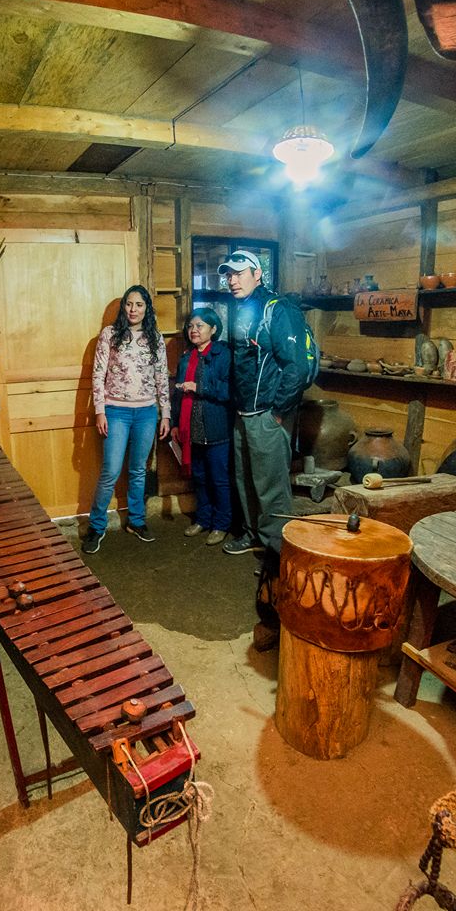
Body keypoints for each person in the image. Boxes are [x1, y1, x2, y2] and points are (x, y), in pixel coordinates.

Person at [218, 251, 310, 652]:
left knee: (271, 484)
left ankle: (277, 554)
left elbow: (299, 366)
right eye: (229, 276)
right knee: (246, 479)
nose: (232, 281)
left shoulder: (278, 309)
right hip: (243, 411)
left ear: (258, 273)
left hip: (267, 414)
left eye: (239, 274)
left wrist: (278, 411)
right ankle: (256, 536)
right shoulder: (241, 309)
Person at [82, 285, 171, 554]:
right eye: (129, 304)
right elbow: (97, 375)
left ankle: (136, 520)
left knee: (138, 470)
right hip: (116, 411)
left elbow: (161, 378)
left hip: (146, 412)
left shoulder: (155, 337)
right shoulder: (109, 335)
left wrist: (165, 413)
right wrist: (99, 410)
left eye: (139, 305)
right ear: (124, 307)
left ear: (147, 309)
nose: (133, 309)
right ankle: (96, 527)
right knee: (110, 471)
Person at [173, 307, 232, 547]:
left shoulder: (223, 354)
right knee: (199, 478)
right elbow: (178, 395)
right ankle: (203, 519)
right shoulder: (186, 358)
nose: (194, 330)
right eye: (191, 326)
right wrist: (177, 423)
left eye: (200, 326)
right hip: (192, 429)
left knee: (219, 479)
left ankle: (221, 524)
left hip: (217, 429)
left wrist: (199, 387)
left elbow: (229, 391)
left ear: (213, 329)